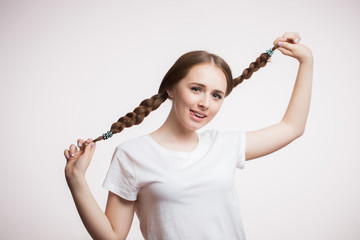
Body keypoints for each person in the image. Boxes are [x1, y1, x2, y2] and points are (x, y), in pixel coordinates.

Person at [64, 32, 313, 240]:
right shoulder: (132, 154)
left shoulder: (224, 146)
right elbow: (113, 236)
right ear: (171, 89)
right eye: (196, 89)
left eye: (216, 95)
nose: (205, 103)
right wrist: (76, 180)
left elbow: (292, 127)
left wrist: (306, 62)